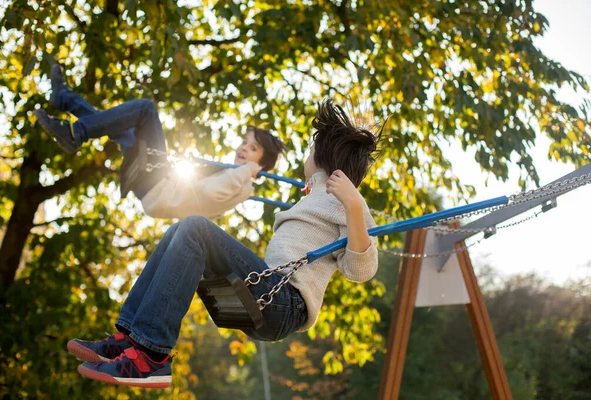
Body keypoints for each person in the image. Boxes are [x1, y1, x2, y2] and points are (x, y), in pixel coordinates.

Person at [68, 99, 383, 388]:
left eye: (310, 148)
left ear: (321, 155)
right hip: (268, 296)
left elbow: (361, 269)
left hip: (285, 302)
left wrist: (354, 205)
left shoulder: (346, 200)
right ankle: (131, 337)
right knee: (180, 231)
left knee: (196, 228)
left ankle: (151, 354)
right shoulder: (318, 194)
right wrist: (318, 190)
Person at [35, 64, 285, 219]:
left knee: (145, 110)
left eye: (253, 148)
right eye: (244, 142)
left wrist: (246, 172)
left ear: (262, 162)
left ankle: (75, 132)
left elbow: (208, 193)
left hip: (158, 183)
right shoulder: (234, 176)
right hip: (154, 186)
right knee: (119, 130)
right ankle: (65, 99)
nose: (243, 148)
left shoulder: (242, 183)